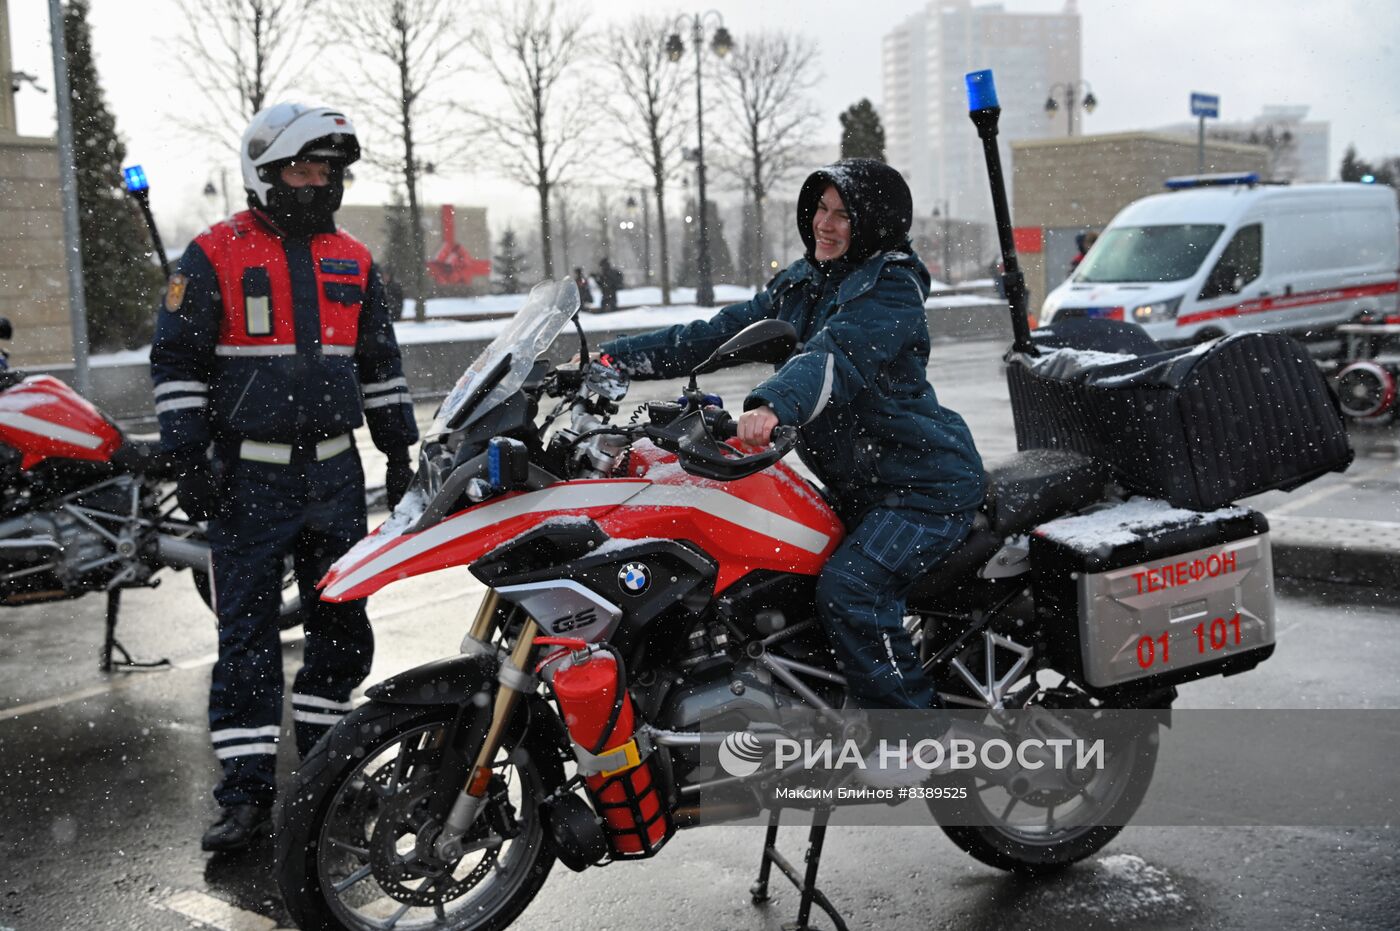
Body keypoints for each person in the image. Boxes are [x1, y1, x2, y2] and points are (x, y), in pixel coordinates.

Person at [599, 158, 985, 714]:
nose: (825, 224)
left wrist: (775, 402)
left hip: (923, 487)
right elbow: (713, 335)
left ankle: (912, 738)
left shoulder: (892, 288)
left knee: (853, 591)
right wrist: (613, 359)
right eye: (820, 209)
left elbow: (836, 354)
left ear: (874, 222)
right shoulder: (804, 282)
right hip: (861, 486)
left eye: (843, 214)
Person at [150, 102, 420, 852]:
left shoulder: (355, 261)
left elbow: (381, 368)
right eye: (303, 168)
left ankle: (336, 774)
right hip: (247, 484)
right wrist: (186, 455)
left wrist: (401, 454)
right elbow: (175, 363)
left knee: (341, 629)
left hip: (335, 475)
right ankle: (244, 796)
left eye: (328, 170)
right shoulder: (213, 255)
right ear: (262, 172)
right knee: (247, 640)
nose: (318, 181)